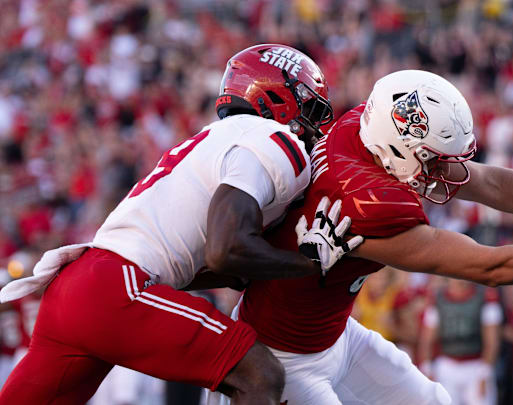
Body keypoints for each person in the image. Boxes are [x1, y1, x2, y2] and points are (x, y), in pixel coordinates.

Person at [206, 69, 513, 404]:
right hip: (277, 359)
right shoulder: (367, 201)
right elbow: (490, 266)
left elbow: (487, 181)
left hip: (332, 334)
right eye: (432, 159)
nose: (442, 171)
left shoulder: (362, 125)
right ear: (397, 148)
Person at [0, 44, 359, 404]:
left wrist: (258, 267)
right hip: (116, 286)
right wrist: (310, 264)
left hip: (75, 284)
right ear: (276, 97)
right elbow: (226, 250)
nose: (316, 125)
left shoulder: (220, 138)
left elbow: (203, 266)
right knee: (259, 373)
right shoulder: (273, 139)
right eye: (310, 106)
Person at [418, 279, 502, 405]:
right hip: (447, 365)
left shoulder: (485, 296)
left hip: (475, 365)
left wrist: (485, 373)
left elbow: (492, 340)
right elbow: (427, 339)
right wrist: (427, 369)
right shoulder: (438, 298)